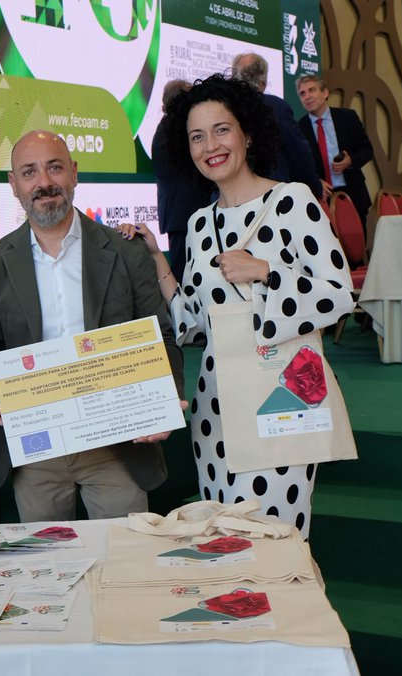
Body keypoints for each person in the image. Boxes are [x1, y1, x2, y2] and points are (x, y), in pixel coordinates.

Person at [121, 74, 355, 538]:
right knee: (226, 534)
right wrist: (155, 259)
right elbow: (190, 319)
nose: (211, 145)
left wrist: (265, 270)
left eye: (221, 129)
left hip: (282, 393)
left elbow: (339, 293)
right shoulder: (198, 223)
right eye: (196, 136)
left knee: (276, 535)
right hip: (216, 403)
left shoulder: (292, 201)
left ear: (247, 133)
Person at [0, 130, 185, 523]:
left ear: (74, 173)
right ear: (14, 185)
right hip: (37, 448)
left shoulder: (126, 250)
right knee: (49, 571)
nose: (44, 183)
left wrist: (165, 402)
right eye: (29, 172)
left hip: (118, 444)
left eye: (54, 168)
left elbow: (162, 337)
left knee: (123, 562)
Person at [231, 53, 323, 202]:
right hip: (271, 200)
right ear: (264, 82)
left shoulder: (223, 108)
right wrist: (315, 188)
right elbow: (299, 154)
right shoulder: (276, 107)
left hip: (230, 201)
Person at [296, 74, 375, 229]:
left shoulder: (347, 117)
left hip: (352, 193)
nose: (307, 96)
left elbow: (367, 149)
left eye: (312, 90)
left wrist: (350, 160)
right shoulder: (299, 128)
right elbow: (298, 166)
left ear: (325, 93)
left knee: (356, 248)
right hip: (320, 197)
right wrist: (315, 182)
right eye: (302, 93)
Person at [153, 78, 212, 285]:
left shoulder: (166, 126)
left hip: (181, 214)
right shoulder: (176, 128)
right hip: (187, 213)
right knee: (186, 277)